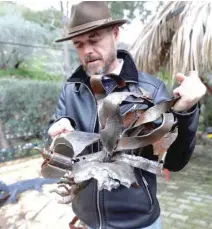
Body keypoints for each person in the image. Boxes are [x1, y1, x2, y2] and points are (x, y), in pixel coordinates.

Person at [47, 2, 206, 229]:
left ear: (115, 33)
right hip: (87, 221)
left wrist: (185, 111)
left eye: (94, 39)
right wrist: (58, 133)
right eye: (79, 44)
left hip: (138, 222)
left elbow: (174, 160)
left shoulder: (151, 89)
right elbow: (57, 145)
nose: (87, 51)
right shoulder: (72, 90)